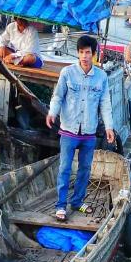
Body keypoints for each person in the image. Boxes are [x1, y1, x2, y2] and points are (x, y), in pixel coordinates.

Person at [46, 34, 115, 221]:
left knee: (85, 168)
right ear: (77, 53)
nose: (84, 56)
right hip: (69, 129)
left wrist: (109, 127)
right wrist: (52, 112)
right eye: (81, 52)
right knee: (64, 168)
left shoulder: (101, 77)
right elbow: (58, 96)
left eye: (88, 52)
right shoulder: (67, 73)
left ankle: (77, 202)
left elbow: (105, 103)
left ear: (93, 54)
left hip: (89, 132)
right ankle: (61, 205)